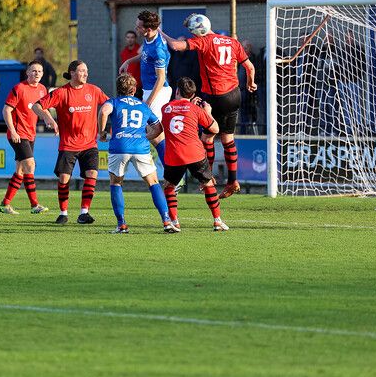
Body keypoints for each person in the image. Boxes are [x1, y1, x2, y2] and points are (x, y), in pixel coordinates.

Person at [162, 13, 257, 199]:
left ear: (197, 31)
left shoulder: (204, 42)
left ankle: (208, 176)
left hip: (216, 96)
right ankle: (232, 180)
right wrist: (250, 83)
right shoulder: (231, 41)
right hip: (235, 94)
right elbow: (250, 67)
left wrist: (160, 32)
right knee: (228, 138)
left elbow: (175, 46)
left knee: (207, 138)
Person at [32, 60, 109, 225]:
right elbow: (37, 106)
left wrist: (105, 127)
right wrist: (49, 119)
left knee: (92, 175)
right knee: (64, 179)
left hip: (90, 144)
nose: (85, 74)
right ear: (72, 73)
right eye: (82, 71)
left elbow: (109, 105)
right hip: (68, 145)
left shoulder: (94, 90)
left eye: (86, 71)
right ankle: (63, 213)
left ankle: (84, 212)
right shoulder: (61, 93)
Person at [98, 73, 172, 233]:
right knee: (153, 182)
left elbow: (104, 111)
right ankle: (166, 221)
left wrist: (102, 132)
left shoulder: (114, 102)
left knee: (116, 183)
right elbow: (158, 127)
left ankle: (122, 224)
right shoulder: (143, 105)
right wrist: (145, 137)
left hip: (119, 147)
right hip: (141, 148)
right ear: (134, 89)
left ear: (118, 88)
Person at [161, 77, 228, 232]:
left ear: (177, 91)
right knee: (208, 184)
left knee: (169, 187)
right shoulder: (196, 109)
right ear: (192, 95)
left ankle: (175, 222)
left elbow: (176, 116)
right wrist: (208, 112)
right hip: (195, 153)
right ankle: (217, 221)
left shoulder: (165, 108)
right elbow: (215, 129)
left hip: (174, 154)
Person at [118, 11, 170, 166]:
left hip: (158, 90)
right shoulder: (149, 40)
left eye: (139, 26)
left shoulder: (159, 48)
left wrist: (148, 103)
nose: (136, 28)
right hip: (149, 90)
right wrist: (129, 61)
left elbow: (161, 79)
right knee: (155, 134)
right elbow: (145, 55)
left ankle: (174, 174)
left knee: (153, 132)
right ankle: (172, 174)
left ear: (148, 29)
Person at [0, 60, 49, 215]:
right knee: (30, 165)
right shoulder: (19, 88)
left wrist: (52, 121)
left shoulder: (42, 89)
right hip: (18, 134)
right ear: (27, 72)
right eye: (33, 71)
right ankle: (35, 205)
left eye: (40, 71)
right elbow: (6, 110)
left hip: (30, 134)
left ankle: (5, 204)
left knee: (20, 170)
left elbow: (43, 110)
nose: (37, 74)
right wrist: (13, 131)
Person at [119, 30, 142, 96]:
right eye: (128, 37)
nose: (130, 39)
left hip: (139, 85)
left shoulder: (140, 51)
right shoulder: (124, 52)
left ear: (135, 39)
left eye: (132, 37)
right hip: (127, 85)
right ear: (126, 39)